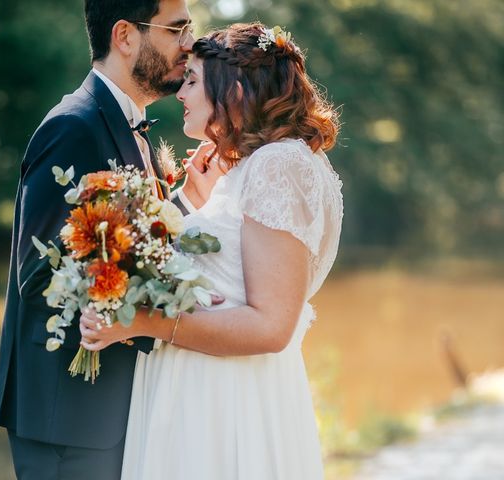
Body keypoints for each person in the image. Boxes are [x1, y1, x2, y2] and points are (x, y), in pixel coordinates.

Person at [79, 22, 343, 479]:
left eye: (194, 80)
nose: (181, 91)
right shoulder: (269, 164)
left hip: (223, 401)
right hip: (217, 388)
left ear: (235, 90)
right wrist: (195, 203)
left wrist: (142, 322)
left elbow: (270, 326)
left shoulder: (276, 165)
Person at [0, 1, 197, 478]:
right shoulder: (73, 127)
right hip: (66, 420)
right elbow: (38, 272)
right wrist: (146, 304)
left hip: (107, 412)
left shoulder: (135, 129)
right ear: (125, 36)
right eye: (176, 29)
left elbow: (134, 239)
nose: (189, 43)